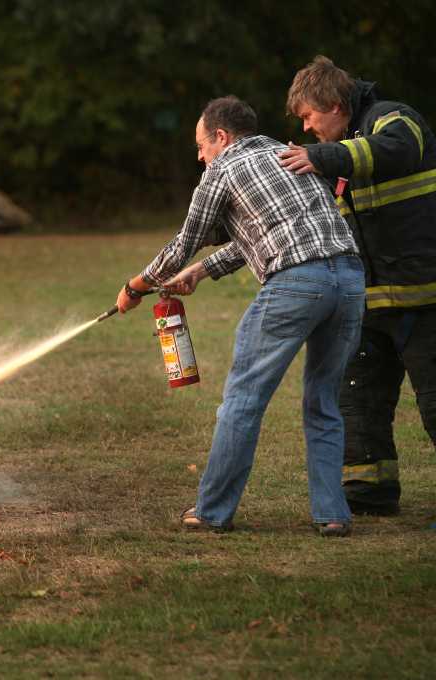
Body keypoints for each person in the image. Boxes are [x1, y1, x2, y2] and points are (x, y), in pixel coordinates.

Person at [117, 95, 365, 536]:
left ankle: (211, 512)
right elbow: (271, 229)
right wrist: (204, 271)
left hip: (296, 283)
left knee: (243, 400)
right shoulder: (288, 153)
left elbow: (183, 242)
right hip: (348, 279)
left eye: (200, 145)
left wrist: (136, 286)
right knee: (324, 402)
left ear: (222, 137)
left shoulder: (223, 168)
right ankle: (332, 515)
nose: (199, 156)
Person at [278, 56, 436, 530]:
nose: (307, 129)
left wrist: (322, 158)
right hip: (372, 304)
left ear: (334, 104)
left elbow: (393, 150)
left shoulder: (394, 120)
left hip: (434, 299)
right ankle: (370, 488)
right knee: (358, 399)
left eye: (309, 117)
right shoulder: (340, 151)